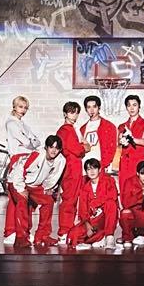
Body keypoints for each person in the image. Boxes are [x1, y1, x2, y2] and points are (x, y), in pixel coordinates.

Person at [8, 135, 66, 247]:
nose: (54, 150)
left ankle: (42, 236)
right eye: (51, 147)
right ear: (46, 147)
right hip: (17, 181)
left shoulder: (61, 160)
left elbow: (54, 177)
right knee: (22, 201)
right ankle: (21, 238)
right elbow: (20, 168)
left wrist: (48, 188)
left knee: (49, 201)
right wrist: (20, 188)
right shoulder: (37, 155)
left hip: (35, 185)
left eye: (57, 148)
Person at [3, 95, 41, 244]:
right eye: (20, 107)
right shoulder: (11, 123)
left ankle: (12, 231)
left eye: (25, 107)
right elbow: (28, 142)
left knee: (17, 200)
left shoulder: (23, 124)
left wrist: (30, 142)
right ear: (14, 106)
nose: (23, 110)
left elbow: (37, 142)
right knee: (20, 197)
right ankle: (18, 232)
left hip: (26, 160)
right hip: (17, 161)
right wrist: (30, 142)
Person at [66, 158, 119, 250]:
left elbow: (113, 196)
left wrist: (95, 203)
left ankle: (109, 237)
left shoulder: (108, 181)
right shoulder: (84, 188)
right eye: (89, 169)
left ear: (99, 169)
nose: (92, 171)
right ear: (86, 172)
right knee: (73, 234)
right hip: (93, 219)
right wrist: (87, 225)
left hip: (106, 216)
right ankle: (99, 238)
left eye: (94, 168)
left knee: (111, 203)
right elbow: (83, 209)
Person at [56, 101, 86, 238]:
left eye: (77, 112)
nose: (75, 115)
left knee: (72, 200)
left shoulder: (71, 129)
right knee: (69, 200)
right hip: (70, 168)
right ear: (65, 114)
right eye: (72, 112)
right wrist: (84, 147)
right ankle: (64, 231)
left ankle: (67, 230)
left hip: (74, 168)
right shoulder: (65, 130)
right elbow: (78, 150)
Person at [117, 95, 144, 186]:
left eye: (134, 105)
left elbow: (143, 141)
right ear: (126, 108)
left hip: (138, 162)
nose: (131, 108)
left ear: (139, 107)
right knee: (124, 189)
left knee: (138, 190)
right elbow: (119, 142)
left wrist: (130, 138)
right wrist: (121, 141)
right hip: (124, 163)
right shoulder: (122, 126)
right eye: (129, 105)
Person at [81, 95, 119, 179]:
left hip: (100, 166)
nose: (91, 110)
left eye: (94, 107)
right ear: (86, 109)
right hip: (85, 166)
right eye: (89, 107)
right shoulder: (82, 129)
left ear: (99, 108)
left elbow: (112, 148)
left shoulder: (109, 126)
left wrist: (104, 164)